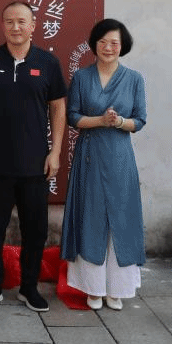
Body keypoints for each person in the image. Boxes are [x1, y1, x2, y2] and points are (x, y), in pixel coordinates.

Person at [0, 0, 67, 312]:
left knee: (35, 231)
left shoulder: (48, 62)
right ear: (3, 26)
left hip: (35, 164)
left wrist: (55, 152)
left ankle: (29, 288)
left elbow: (58, 108)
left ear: (33, 25)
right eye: (10, 22)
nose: (16, 27)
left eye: (22, 22)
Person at [61, 18, 147, 310]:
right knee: (91, 215)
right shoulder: (82, 77)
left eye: (114, 43)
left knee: (121, 217)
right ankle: (93, 288)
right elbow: (73, 117)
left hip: (120, 155)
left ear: (123, 46)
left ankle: (118, 288)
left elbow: (140, 120)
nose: (108, 48)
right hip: (90, 155)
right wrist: (100, 120)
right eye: (103, 42)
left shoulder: (134, 79)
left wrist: (120, 121)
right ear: (94, 45)